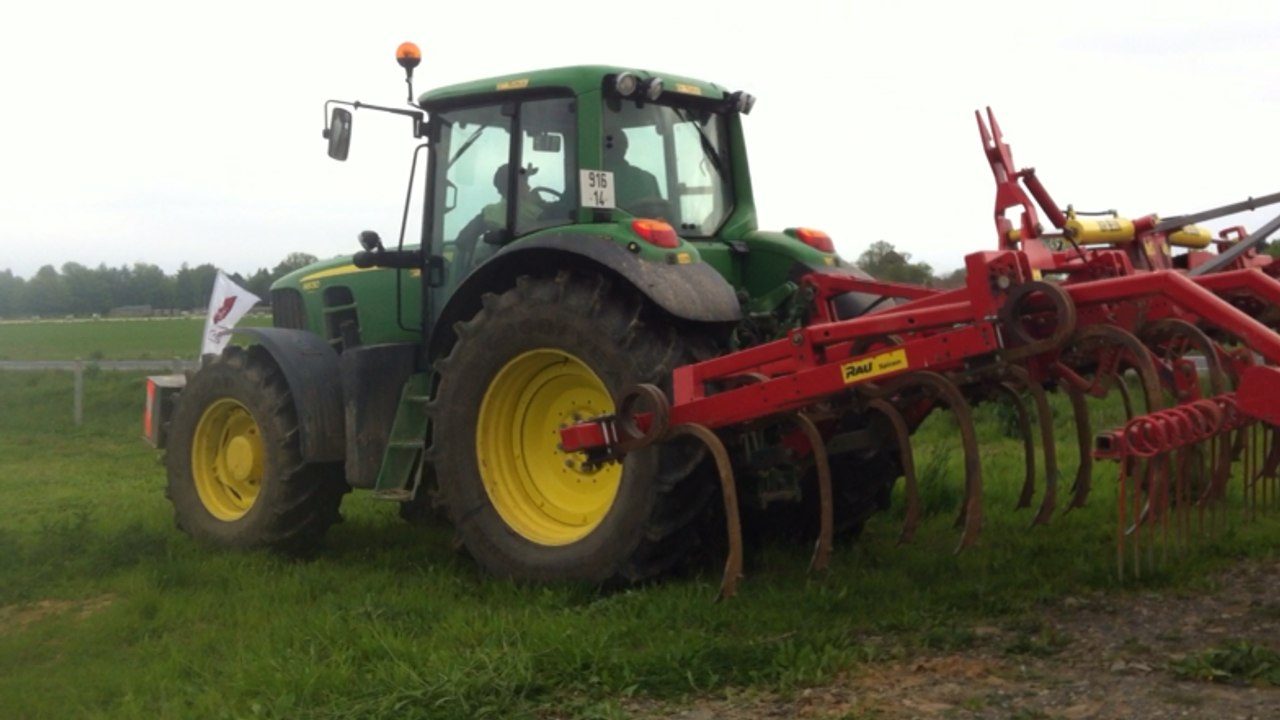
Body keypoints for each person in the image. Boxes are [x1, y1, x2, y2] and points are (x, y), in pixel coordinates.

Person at [604, 130, 664, 215]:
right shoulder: (648, 179)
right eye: (610, 144)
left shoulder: (590, 177)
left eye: (619, 143)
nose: (615, 146)